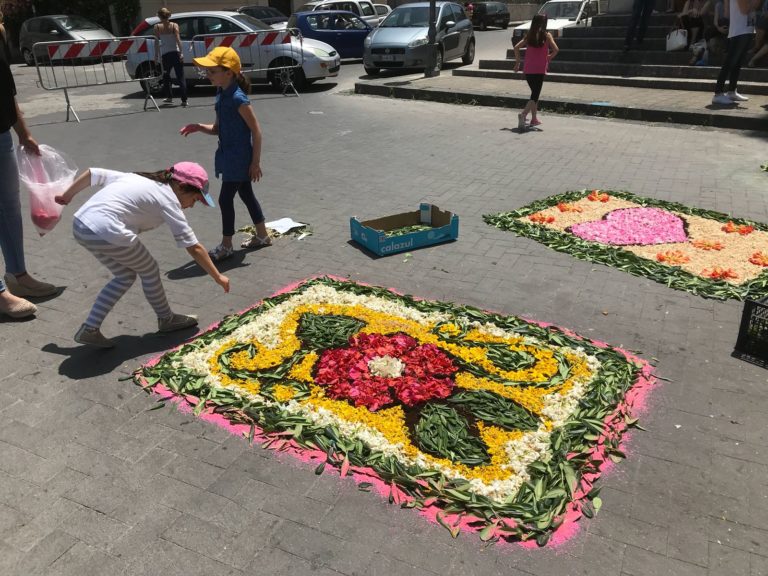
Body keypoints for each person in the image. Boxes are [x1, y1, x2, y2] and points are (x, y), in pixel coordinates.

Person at [54, 162, 230, 348]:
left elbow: (93, 173)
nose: (192, 206)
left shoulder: (137, 177)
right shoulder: (169, 200)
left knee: (125, 275)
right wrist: (217, 276)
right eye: (194, 199)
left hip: (82, 225)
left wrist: (67, 195)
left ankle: (90, 329)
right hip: (107, 231)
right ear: (180, 186)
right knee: (150, 270)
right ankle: (166, 319)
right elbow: (194, 247)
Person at [180, 47, 270, 262]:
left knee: (224, 199)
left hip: (239, 158)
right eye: (207, 71)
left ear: (228, 72)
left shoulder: (239, 99)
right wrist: (198, 126)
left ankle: (227, 245)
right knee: (246, 195)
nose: (208, 75)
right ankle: (263, 236)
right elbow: (218, 129)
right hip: (227, 156)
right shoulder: (221, 94)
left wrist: (255, 163)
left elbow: (256, 132)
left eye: (212, 71)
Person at [0, 58, 58, 320]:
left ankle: (18, 275)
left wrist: (23, 132)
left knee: (10, 207)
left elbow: (6, 89)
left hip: (1, 134)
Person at [513, 14, 559, 130]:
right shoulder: (547, 35)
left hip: (528, 70)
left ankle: (534, 119)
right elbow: (556, 50)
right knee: (535, 96)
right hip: (539, 70)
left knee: (534, 95)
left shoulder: (529, 35)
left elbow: (516, 47)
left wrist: (518, 63)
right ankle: (523, 115)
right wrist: (548, 57)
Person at [712, 0, 761, 104]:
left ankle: (732, 91)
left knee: (737, 63)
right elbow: (744, 10)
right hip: (739, 32)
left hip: (746, 30)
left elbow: (752, 7)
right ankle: (718, 93)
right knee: (729, 63)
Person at [154, 8, 187, 107]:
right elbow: (178, 40)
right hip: (175, 53)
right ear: (168, 15)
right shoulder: (174, 25)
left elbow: (156, 42)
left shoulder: (157, 27)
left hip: (165, 55)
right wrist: (181, 53)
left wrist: (156, 56)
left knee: (166, 76)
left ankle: (169, 97)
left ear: (159, 16)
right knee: (180, 77)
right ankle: (184, 100)